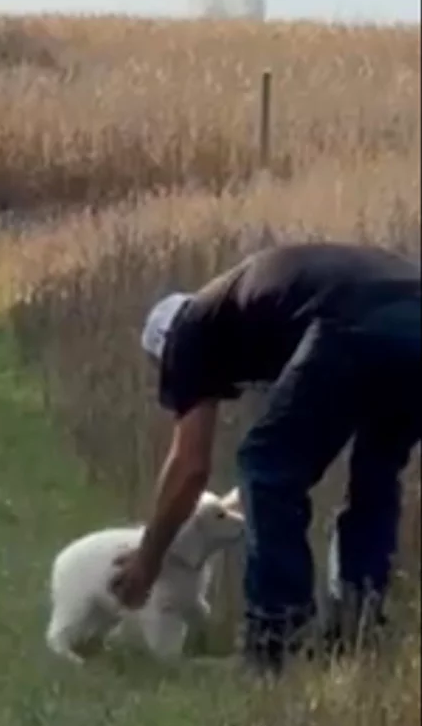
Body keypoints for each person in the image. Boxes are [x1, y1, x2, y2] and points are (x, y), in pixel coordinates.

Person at [111, 241, 421, 673]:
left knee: (265, 469)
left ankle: (277, 640)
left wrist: (148, 560)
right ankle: (358, 628)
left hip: (354, 319)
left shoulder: (187, 332)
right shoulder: (251, 307)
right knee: (376, 475)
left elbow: (190, 467)